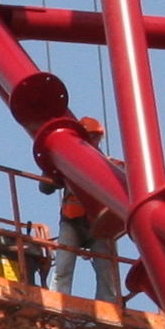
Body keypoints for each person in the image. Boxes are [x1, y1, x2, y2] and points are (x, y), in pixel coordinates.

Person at [50, 123, 124, 305]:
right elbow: (45, 187)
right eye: (89, 136)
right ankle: (58, 301)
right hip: (72, 221)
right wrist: (52, 166)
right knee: (63, 267)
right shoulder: (67, 161)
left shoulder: (112, 165)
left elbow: (128, 182)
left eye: (95, 136)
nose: (93, 140)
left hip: (99, 224)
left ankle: (109, 306)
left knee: (106, 270)